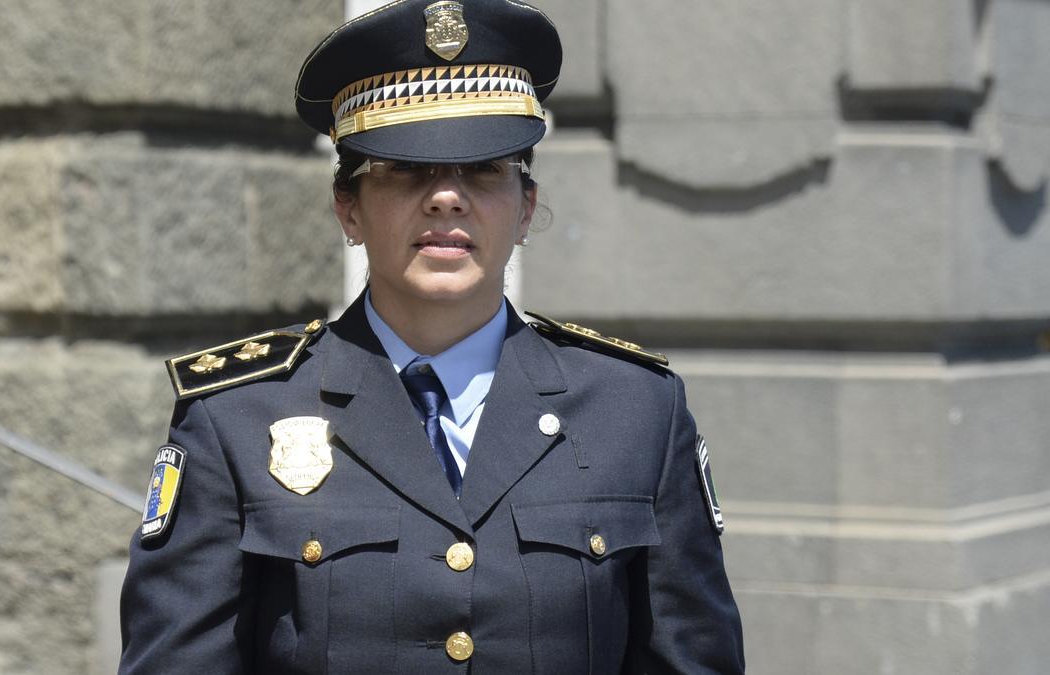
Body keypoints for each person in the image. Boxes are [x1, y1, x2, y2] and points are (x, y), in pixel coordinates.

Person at [119, 0, 745, 672]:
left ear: (526, 206)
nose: (447, 197)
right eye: (408, 171)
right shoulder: (235, 417)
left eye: (482, 171)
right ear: (348, 208)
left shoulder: (636, 412)